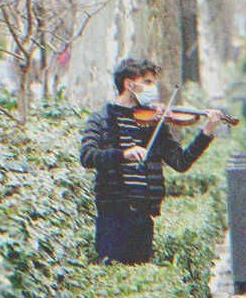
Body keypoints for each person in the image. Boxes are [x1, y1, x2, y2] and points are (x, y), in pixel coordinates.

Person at [79, 58, 223, 265]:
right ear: (129, 85)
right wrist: (123, 154)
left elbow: (180, 162)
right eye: (147, 82)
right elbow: (87, 156)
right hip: (113, 217)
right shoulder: (101, 119)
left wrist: (207, 132)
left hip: (143, 217)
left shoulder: (154, 122)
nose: (153, 89)